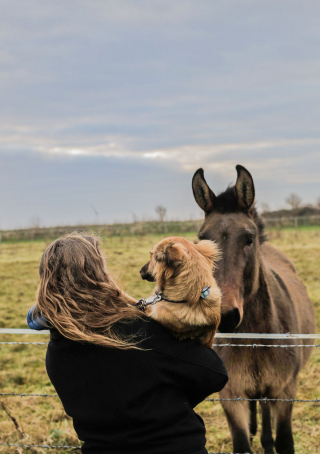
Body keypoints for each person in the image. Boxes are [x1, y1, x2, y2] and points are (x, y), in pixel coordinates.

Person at [27, 232, 228, 454]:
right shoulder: (140, 332)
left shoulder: (57, 349)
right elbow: (214, 373)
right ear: (98, 273)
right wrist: (171, 402)